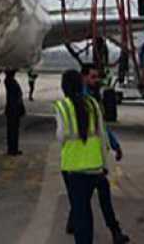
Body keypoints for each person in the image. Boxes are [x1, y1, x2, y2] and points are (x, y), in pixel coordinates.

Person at [55, 69, 121, 244]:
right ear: (81, 82)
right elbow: (102, 135)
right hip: (95, 167)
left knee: (81, 212)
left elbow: (61, 136)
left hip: (73, 168)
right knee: (89, 208)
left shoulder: (62, 107)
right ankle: (114, 231)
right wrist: (106, 162)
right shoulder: (92, 103)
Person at [4, 70, 25, 156]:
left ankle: (13, 149)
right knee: (13, 131)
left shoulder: (11, 81)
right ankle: (12, 150)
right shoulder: (10, 82)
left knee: (13, 131)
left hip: (13, 110)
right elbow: (18, 96)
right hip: (13, 110)